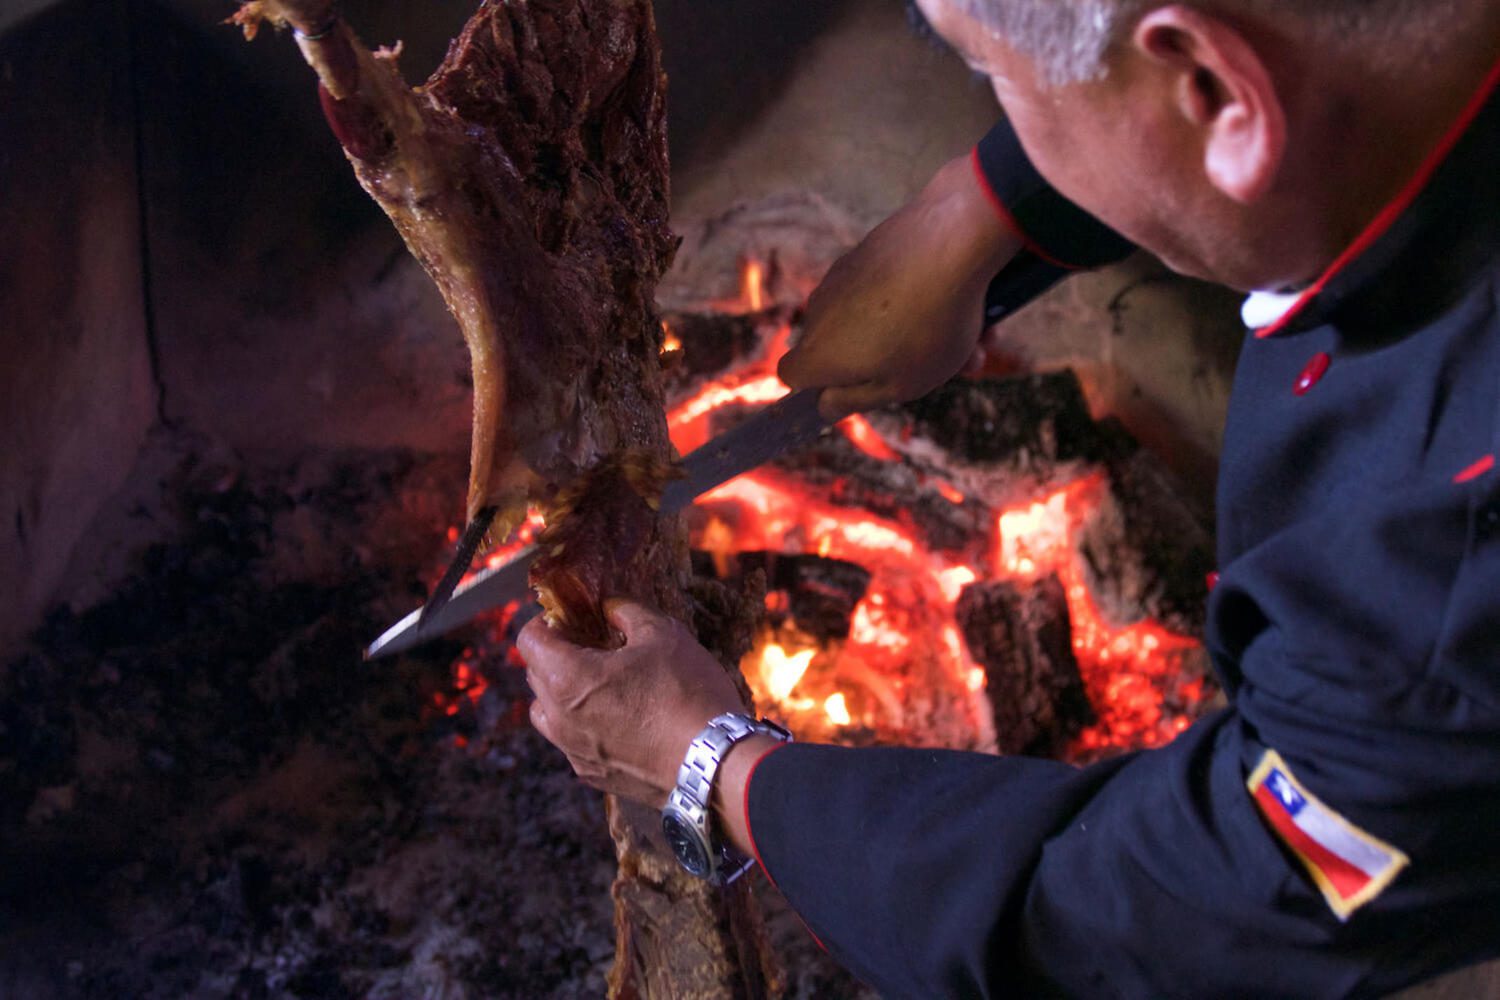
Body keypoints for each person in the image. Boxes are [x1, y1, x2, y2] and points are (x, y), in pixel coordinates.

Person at [518, 0, 1500, 995]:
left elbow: (1143, 922)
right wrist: (985, 208)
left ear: (1208, 88)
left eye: (994, 80)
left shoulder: (1438, 597)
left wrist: (715, 766)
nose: (997, 112)